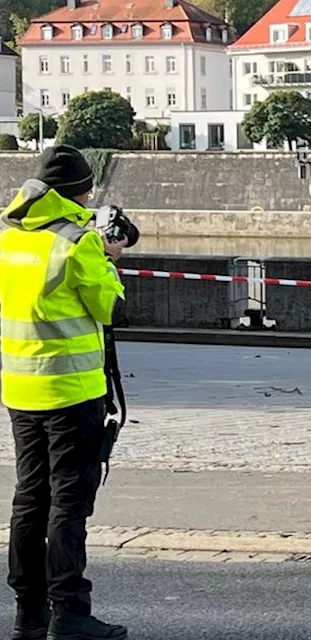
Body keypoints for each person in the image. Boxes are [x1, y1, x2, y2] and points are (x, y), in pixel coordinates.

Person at [0, 146, 128, 640]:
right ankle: (70, 613)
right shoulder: (78, 244)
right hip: (71, 391)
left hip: (20, 387)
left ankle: (27, 612)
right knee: (69, 503)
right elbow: (109, 309)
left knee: (29, 497)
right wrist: (110, 259)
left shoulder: (10, 240)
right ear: (82, 190)